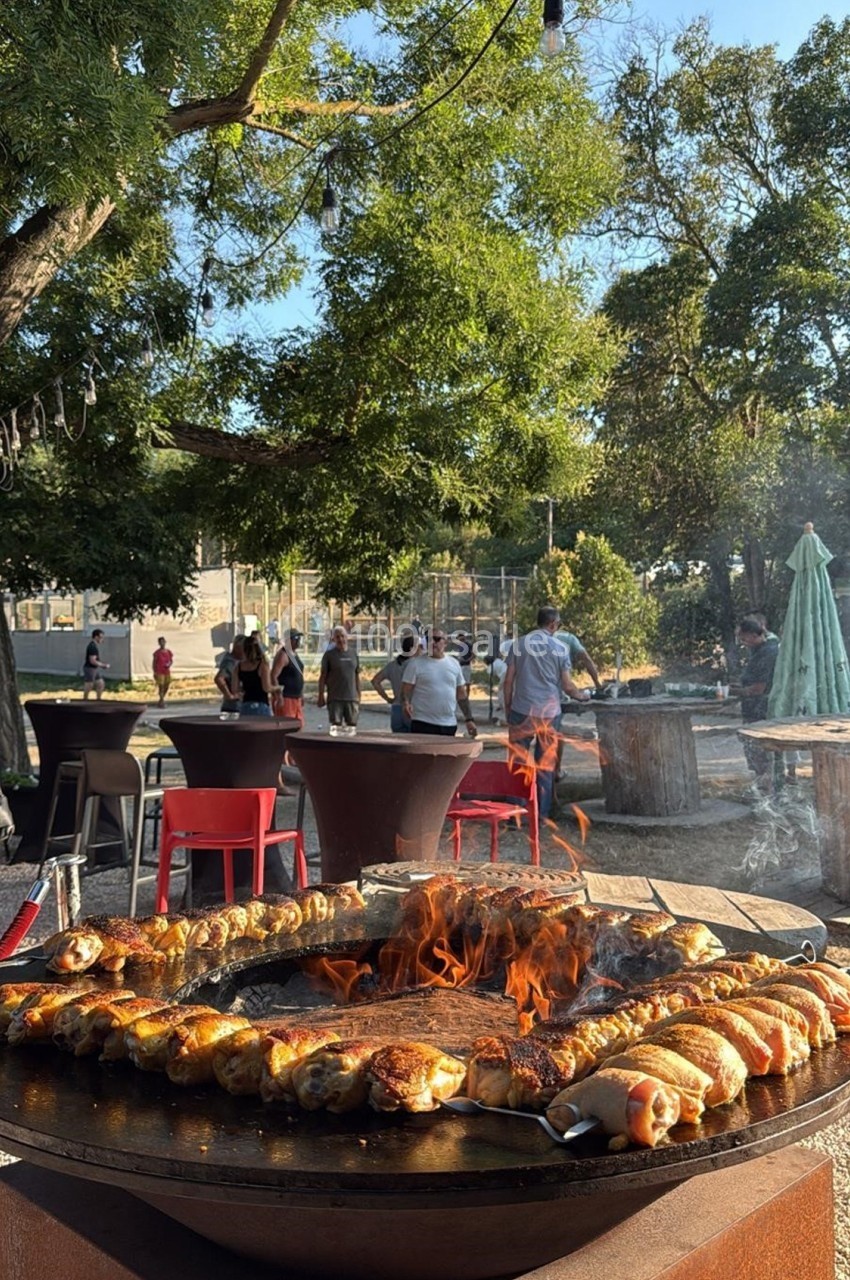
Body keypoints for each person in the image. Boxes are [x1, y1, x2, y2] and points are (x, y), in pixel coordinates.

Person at [503, 606, 591, 820]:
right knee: (545, 765)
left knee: (518, 763)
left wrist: (508, 708)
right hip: (549, 713)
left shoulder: (519, 644)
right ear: (553, 624)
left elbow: (508, 681)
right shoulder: (560, 648)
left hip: (521, 709)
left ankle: (516, 813)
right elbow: (568, 686)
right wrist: (583, 695)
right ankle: (540, 815)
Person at [401, 628, 477, 738]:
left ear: (445, 642)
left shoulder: (454, 664)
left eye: (436, 639)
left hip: (448, 724)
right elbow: (405, 691)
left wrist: (469, 719)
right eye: (428, 639)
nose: (432, 643)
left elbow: (461, 695)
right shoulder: (415, 664)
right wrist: (405, 703)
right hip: (422, 723)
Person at [734, 617, 781, 792]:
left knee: (760, 750)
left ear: (754, 635)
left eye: (743, 638)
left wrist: (731, 692)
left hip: (761, 708)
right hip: (753, 708)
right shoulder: (759, 649)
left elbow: (757, 689)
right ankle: (763, 786)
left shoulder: (768, 652)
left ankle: (767, 789)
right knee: (753, 750)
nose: (742, 643)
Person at [318, 625, 361, 731]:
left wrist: (359, 694)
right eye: (337, 637)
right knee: (336, 727)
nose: (340, 639)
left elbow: (357, 675)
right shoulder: (329, 656)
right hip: (335, 698)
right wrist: (320, 695)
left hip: (351, 698)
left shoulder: (353, 654)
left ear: (347, 637)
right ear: (333, 639)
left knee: (351, 727)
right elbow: (323, 676)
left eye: (342, 636)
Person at [371, 634, 417, 731]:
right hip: (412, 708)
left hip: (396, 707)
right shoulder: (416, 665)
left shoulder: (392, 665)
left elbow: (375, 681)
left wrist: (387, 698)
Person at [231, 633, 274, 716]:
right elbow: (266, 688)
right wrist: (277, 688)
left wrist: (243, 690)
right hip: (261, 704)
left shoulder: (239, 666)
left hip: (245, 704)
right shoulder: (263, 665)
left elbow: (234, 689)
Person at [272, 629, 305, 726]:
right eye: (295, 638)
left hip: (296, 697)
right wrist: (279, 696)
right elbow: (273, 676)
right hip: (286, 697)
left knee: (298, 725)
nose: (298, 641)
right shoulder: (283, 655)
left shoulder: (294, 654)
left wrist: (301, 694)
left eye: (299, 638)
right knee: (287, 725)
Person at [215, 635, 245, 714]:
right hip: (233, 707)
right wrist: (229, 695)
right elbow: (219, 678)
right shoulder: (231, 662)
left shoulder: (237, 661)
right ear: (238, 648)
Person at [82, 629, 109, 700]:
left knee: (100, 683)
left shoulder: (94, 646)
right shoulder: (92, 647)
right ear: (96, 637)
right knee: (89, 684)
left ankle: (98, 699)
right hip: (90, 668)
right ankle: (85, 699)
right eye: (101, 637)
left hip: (94, 668)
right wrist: (103, 665)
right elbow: (92, 661)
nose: (102, 639)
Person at [152, 636, 174, 709]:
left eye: (163, 642)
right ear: (159, 643)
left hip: (166, 671)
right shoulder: (157, 653)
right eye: (161, 642)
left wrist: (169, 664)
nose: (162, 643)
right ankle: (162, 701)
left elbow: (171, 660)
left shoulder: (168, 652)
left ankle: (161, 699)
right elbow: (154, 662)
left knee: (166, 685)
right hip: (159, 671)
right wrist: (154, 672)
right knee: (161, 686)